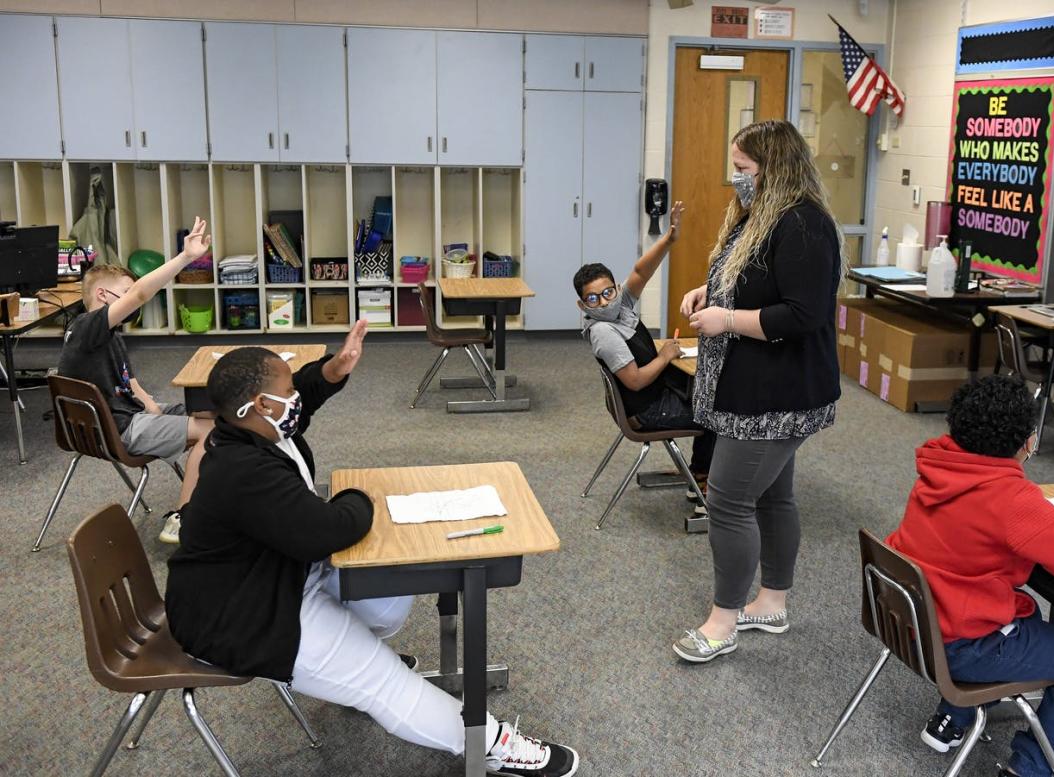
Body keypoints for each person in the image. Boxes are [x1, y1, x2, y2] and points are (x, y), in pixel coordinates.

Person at [165, 328, 578, 777]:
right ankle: (492, 744)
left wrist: (333, 368)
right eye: (286, 392)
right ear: (262, 405)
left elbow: (306, 388)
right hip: (244, 615)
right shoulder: (242, 469)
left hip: (279, 573)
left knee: (390, 591)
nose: (296, 398)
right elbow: (328, 530)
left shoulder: (255, 428)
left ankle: (354, 658)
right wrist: (361, 495)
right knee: (386, 683)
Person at [888, 376, 1054, 777]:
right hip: (962, 645)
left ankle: (953, 719)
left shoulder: (936, 465)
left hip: (915, 624)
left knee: (1024, 612)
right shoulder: (1012, 499)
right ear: (1028, 442)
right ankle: (1028, 770)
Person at [673, 120, 843, 662]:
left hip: (780, 394)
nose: (737, 180)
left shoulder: (805, 225)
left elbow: (803, 312)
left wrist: (728, 319)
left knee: (727, 499)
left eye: (744, 170)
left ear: (775, 169)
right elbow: (753, 277)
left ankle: (723, 622)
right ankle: (771, 602)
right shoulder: (762, 217)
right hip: (755, 386)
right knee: (772, 495)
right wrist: (712, 291)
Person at [58, 217, 214, 544]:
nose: (131, 298)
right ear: (102, 294)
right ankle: (181, 518)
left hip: (134, 417)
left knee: (217, 414)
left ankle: (218, 500)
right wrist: (185, 257)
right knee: (212, 431)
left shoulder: (109, 335)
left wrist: (156, 410)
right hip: (119, 428)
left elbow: (130, 382)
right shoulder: (87, 328)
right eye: (124, 293)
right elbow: (143, 293)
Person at [574, 201, 713, 505]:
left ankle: (700, 471)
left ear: (616, 288)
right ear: (583, 306)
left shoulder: (620, 306)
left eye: (608, 292)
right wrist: (665, 356)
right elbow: (635, 381)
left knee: (703, 391)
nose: (604, 301)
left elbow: (641, 270)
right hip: (646, 411)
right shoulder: (603, 332)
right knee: (715, 415)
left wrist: (669, 238)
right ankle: (700, 481)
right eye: (593, 299)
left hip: (649, 399)